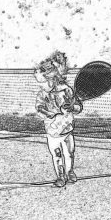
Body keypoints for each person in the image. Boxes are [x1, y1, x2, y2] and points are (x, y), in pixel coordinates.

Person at [34, 51, 83, 187]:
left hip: (67, 129)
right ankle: (60, 176)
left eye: (42, 82)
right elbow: (39, 109)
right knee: (56, 155)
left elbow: (78, 107)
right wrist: (53, 113)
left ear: (52, 79)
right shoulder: (42, 94)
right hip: (52, 131)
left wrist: (72, 108)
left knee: (69, 153)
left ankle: (70, 172)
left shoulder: (66, 90)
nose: (40, 85)